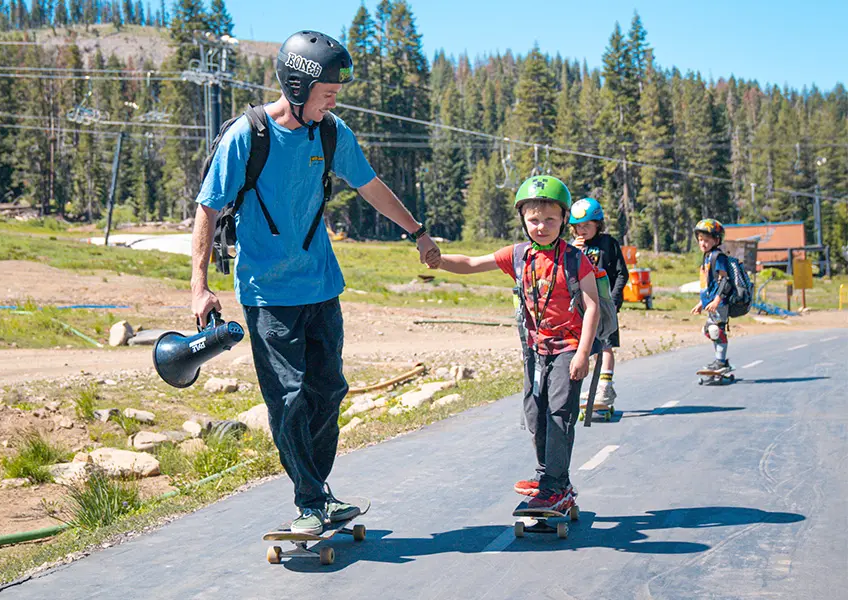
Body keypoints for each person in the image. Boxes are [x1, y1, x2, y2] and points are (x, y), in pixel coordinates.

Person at [190, 30, 440, 535]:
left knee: (329, 390)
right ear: (299, 87)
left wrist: (416, 231)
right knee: (289, 396)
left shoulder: (330, 132)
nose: (333, 102)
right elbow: (208, 209)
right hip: (267, 292)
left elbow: (370, 185)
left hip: (322, 285)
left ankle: (318, 493)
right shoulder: (248, 135)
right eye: (328, 93)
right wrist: (199, 286)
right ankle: (308, 501)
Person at [435, 176, 599, 510]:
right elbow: (471, 263)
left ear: (564, 220)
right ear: (523, 220)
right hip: (535, 351)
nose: (541, 226)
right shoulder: (519, 255)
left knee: (559, 413)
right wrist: (438, 260)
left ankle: (556, 486)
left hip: (568, 347)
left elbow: (593, 305)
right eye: (534, 219)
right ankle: (547, 476)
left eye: (550, 219)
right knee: (535, 413)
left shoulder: (574, 259)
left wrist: (583, 353)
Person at [568, 197, 628, 406]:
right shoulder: (572, 248)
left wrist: (614, 299)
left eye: (587, 226)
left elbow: (622, 274)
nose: (582, 231)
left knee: (606, 345)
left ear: (598, 224)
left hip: (604, 303)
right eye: (578, 227)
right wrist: (573, 252)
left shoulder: (608, 244)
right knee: (588, 345)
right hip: (582, 307)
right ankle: (594, 385)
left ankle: (606, 386)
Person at [691, 218, 732, 375]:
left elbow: (724, 280)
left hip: (719, 303)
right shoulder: (707, 257)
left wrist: (717, 300)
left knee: (716, 330)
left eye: (706, 240)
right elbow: (709, 284)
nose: (703, 243)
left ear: (716, 240)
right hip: (711, 302)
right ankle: (720, 360)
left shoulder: (718, 256)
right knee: (708, 330)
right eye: (700, 240)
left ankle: (721, 361)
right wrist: (702, 302)